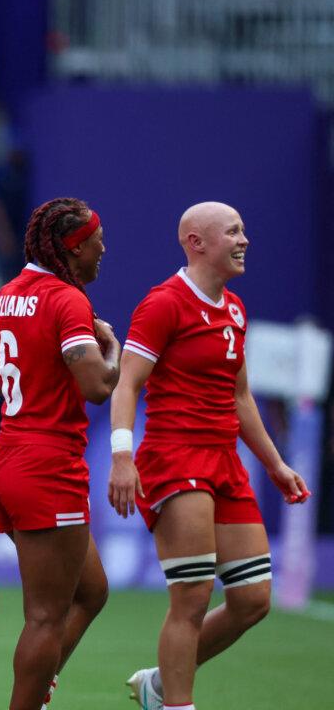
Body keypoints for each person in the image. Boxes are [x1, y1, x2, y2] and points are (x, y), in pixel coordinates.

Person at [108, 202, 310, 710]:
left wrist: (275, 464)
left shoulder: (235, 308)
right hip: (176, 460)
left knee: (252, 600)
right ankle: (178, 703)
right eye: (234, 232)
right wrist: (122, 456)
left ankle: (159, 683)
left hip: (226, 463)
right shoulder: (164, 303)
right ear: (196, 243)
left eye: (244, 231)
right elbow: (127, 383)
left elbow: (239, 397)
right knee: (192, 598)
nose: (245, 241)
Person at [0, 198, 118, 710]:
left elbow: (0, 379)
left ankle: (38, 689)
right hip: (47, 467)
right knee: (45, 617)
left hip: (8, 456)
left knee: (92, 591)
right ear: (74, 247)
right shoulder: (68, 300)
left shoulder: (6, 296)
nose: (103, 250)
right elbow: (97, 388)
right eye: (97, 242)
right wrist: (112, 347)